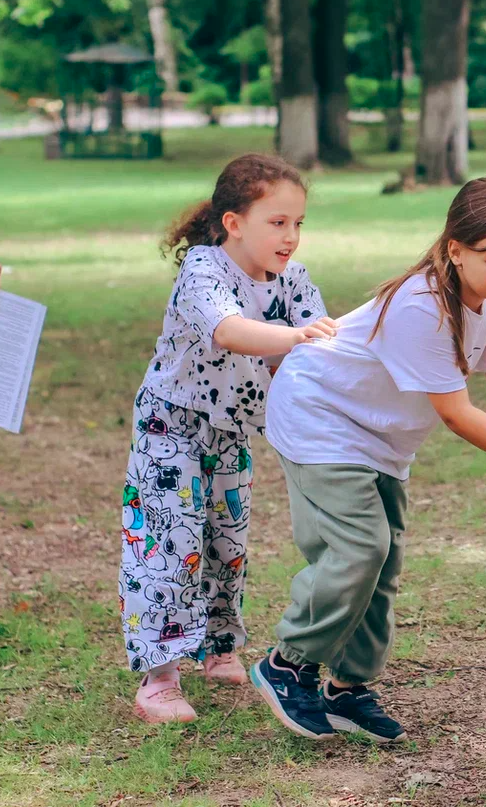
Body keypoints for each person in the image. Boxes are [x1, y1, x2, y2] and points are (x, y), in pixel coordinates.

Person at [250, 177, 486, 743]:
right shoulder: (422, 306)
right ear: (455, 250)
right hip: (321, 416)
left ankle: (347, 688)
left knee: (383, 560)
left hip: (381, 436)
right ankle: (287, 664)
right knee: (359, 548)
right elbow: (459, 415)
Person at [120, 153, 336, 723]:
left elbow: (322, 347)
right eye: (277, 222)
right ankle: (160, 677)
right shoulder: (203, 270)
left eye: (298, 223)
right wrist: (297, 337)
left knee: (225, 543)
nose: (290, 236)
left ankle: (219, 647)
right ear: (234, 223)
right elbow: (230, 331)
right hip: (171, 425)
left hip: (230, 429)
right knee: (169, 543)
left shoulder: (294, 280)